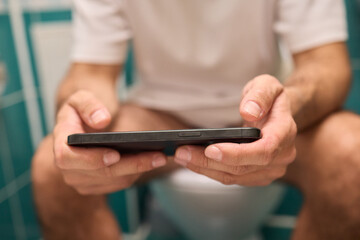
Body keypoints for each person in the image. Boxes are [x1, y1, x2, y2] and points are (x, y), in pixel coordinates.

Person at [32, 0, 360, 239]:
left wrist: (289, 104)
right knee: (54, 167)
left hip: (255, 119)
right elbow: (91, 72)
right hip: (158, 116)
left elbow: (326, 63)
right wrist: (80, 112)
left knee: (353, 155)